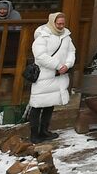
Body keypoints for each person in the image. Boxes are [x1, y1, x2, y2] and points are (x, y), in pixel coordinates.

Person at [27, 12, 76, 141]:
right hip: (44, 75)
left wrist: (68, 64)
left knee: (50, 103)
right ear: (52, 22)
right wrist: (58, 65)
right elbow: (40, 56)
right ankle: (34, 134)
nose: (60, 26)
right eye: (58, 23)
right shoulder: (43, 36)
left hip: (58, 75)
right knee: (37, 105)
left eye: (62, 23)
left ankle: (44, 131)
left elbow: (71, 51)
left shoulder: (66, 36)